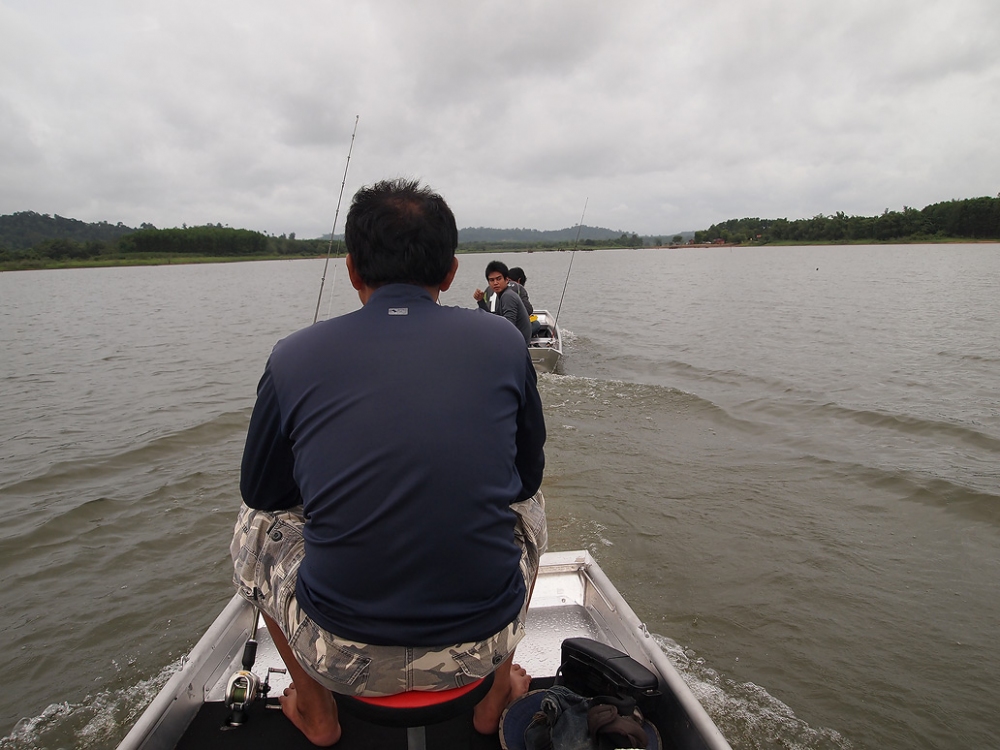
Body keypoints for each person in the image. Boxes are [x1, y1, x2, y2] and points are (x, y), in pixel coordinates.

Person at [232, 178, 547, 746]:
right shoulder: (505, 343)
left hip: (340, 654)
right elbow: (527, 478)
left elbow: (262, 495)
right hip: (482, 644)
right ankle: (496, 693)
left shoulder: (291, 356)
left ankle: (315, 705)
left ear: (353, 269)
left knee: (253, 528)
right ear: (451, 272)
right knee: (531, 506)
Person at [473, 260, 532, 344]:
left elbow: (508, 327)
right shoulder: (503, 295)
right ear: (488, 282)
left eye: (499, 279)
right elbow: (493, 319)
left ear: (507, 280)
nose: (495, 283)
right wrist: (481, 301)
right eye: (492, 280)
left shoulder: (508, 296)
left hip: (518, 345)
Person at [507, 266, 541, 336]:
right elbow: (529, 310)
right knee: (536, 324)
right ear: (519, 280)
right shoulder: (519, 289)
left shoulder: (498, 290)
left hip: (500, 326)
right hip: (513, 329)